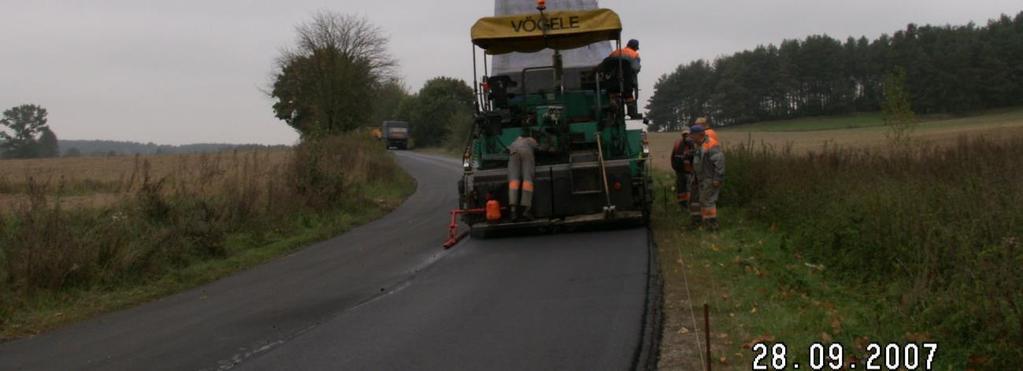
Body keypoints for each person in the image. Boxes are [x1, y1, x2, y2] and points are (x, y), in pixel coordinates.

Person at [688, 119, 725, 230]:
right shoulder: (698, 144)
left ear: (700, 135)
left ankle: (712, 226)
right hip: (700, 178)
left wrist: (717, 178)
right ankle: (700, 223)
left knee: (708, 201)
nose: (690, 137)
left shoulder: (711, 145)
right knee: (699, 201)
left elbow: (720, 163)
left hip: (709, 178)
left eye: (692, 135)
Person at [507, 131, 549, 221]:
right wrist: (547, 148)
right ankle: (526, 210)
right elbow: (539, 149)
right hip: (526, 153)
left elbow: (507, 149)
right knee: (527, 180)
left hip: (513, 153)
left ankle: (513, 211)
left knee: (513, 182)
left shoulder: (514, 142)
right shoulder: (530, 139)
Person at [609, 39, 642, 119]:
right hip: (627, 82)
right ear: (635, 47)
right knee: (629, 95)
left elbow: (607, 64)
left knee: (615, 95)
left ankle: (616, 110)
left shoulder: (615, 52)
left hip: (612, 81)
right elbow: (635, 68)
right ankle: (631, 112)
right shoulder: (634, 55)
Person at [670, 127, 695, 213]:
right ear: (682, 135)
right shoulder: (678, 143)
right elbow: (673, 157)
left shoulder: (692, 144)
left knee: (688, 190)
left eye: (687, 134)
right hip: (681, 171)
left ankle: (688, 208)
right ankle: (683, 208)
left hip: (688, 171)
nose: (686, 136)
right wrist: (675, 167)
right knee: (682, 191)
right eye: (685, 134)